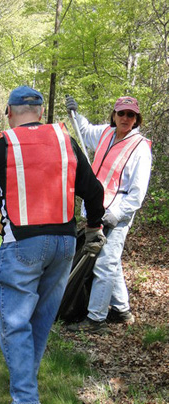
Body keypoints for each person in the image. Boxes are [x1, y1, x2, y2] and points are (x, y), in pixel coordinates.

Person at [0, 85, 105, 404]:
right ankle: (25, 388)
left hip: (23, 245)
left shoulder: (5, 145)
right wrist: (94, 227)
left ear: (9, 112)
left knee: (16, 324)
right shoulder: (65, 142)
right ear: (41, 111)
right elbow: (93, 189)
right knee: (40, 321)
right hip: (63, 245)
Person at [65, 95, 152, 334]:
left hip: (118, 214)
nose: (125, 118)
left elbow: (137, 193)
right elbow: (84, 130)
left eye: (130, 115)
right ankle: (122, 310)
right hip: (97, 210)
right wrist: (75, 112)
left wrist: (117, 214)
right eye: (121, 113)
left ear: (136, 119)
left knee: (104, 263)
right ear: (114, 115)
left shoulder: (140, 148)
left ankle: (96, 320)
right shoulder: (105, 133)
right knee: (111, 262)